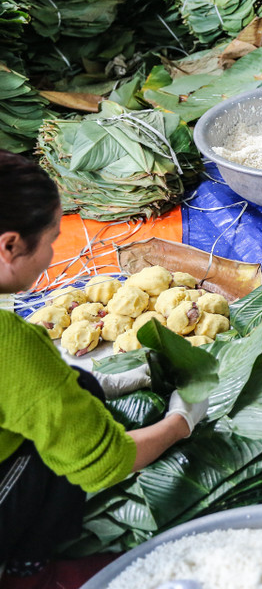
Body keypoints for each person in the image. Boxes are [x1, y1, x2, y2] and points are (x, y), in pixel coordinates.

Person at [0, 152, 208, 576]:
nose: (55, 251)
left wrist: (88, 382)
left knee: (79, 385)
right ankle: (23, 559)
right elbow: (104, 463)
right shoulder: (13, 345)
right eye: (53, 238)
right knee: (59, 460)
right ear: (9, 245)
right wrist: (180, 422)